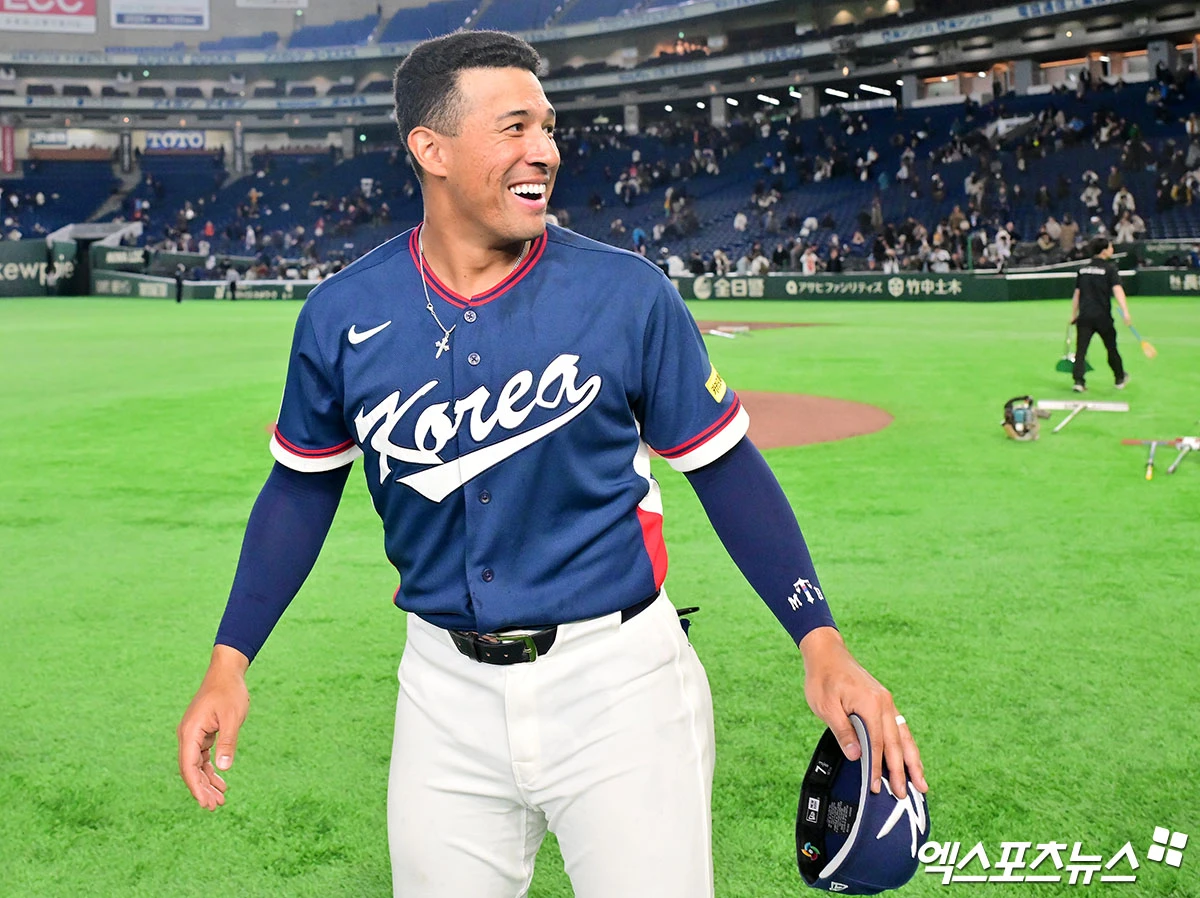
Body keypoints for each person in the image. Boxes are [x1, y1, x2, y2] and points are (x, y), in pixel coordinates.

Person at [176, 30, 926, 898]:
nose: (545, 151)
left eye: (549, 127)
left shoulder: (626, 293)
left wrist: (820, 641)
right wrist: (231, 659)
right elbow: (299, 492)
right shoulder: (342, 314)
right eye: (515, 127)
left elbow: (725, 469)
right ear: (432, 149)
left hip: (620, 688)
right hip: (441, 695)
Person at [1070, 237, 1132, 392]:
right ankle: (1119, 378)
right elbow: (1118, 290)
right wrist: (1125, 311)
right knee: (1111, 348)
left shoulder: (1083, 270)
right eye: (1110, 247)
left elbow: (1077, 294)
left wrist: (1073, 314)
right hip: (1102, 317)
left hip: (1084, 316)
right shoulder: (1110, 269)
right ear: (1104, 251)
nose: (1112, 250)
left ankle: (1078, 382)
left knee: (1081, 351)